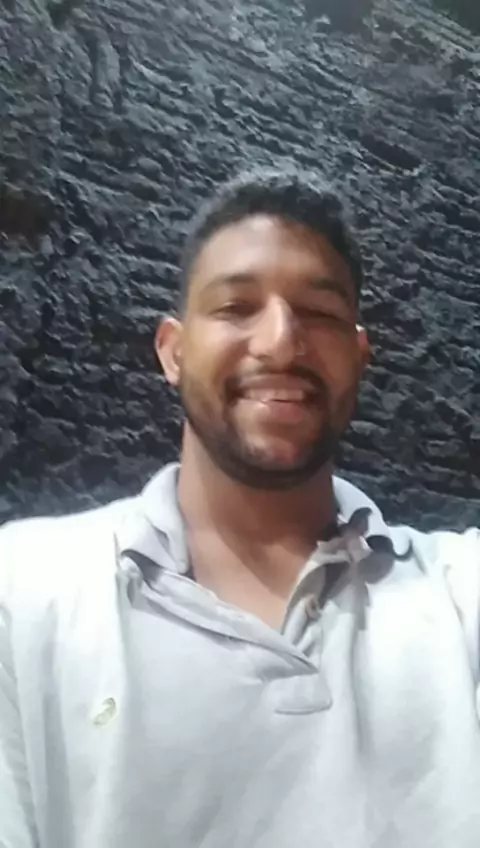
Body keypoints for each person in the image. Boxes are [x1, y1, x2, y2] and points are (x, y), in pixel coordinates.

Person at [1, 167, 480, 848]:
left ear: (359, 355)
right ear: (173, 351)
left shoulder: (461, 599)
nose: (281, 342)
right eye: (235, 307)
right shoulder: (24, 590)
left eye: (319, 314)